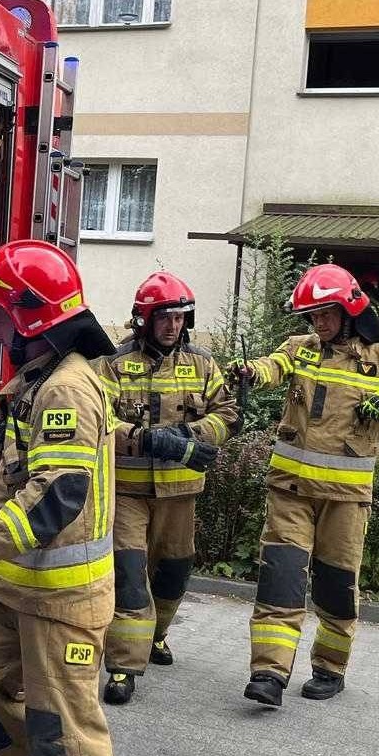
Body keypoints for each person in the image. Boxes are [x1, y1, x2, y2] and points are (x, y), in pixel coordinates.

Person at [0, 240, 214, 756]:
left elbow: (59, 492)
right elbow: (27, 469)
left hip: (60, 598)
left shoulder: (67, 389)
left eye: (1, 313)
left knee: (65, 731)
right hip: (13, 586)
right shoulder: (40, 379)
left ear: (30, 317)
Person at [230, 264, 379, 706]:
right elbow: (272, 365)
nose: (319, 324)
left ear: (349, 310)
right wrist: (249, 372)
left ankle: (330, 668)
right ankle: (269, 674)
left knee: (335, 587)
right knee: (281, 580)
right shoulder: (300, 349)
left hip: (346, 500)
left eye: (326, 314)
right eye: (312, 316)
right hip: (291, 490)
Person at [95, 271, 237, 704]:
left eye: (179, 317)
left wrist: (191, 438)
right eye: (163, 317)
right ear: (144, 319)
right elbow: (101, 419)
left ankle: (156, 635)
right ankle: (123, 666)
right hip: (128, 492)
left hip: (181, 492)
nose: (172, 326)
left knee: (174, 572)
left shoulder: (203, 364)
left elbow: (228, 412)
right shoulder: (113, 365)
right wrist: (144, 438)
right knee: (130, 575)